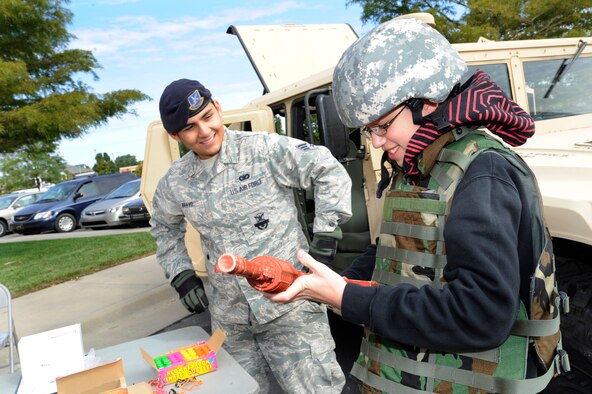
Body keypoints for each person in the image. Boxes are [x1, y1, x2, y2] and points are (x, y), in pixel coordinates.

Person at [268, 17, 569, 393]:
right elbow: (397, 249)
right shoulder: (419, 164)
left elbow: (481, 314)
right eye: (368, 131)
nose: (375, 143)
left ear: (425, 103)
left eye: (381, 126)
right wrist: (328, 282)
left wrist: (349, 299)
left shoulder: (483, 173)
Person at [150, 78, 351, 393]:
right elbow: (163, 227)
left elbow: (326, 169)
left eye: (207, 117)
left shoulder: (263, 149)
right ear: (174, 135)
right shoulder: (176, 182)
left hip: (290, 305)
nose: (204, 131)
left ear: (217, 108)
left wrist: (327, 232)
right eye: (190, 127)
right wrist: (181, 273)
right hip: (231, 320)